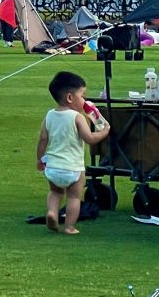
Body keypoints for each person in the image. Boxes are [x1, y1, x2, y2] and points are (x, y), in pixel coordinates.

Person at [37, 71, 111, 234]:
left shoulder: (49, 115)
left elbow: (43, 139)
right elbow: (90, 138)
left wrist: (40, 159)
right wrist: (104, 132)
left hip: (53, 167)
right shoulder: (77, 117)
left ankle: (52, 212)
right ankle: (69, 227)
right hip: (73, 168)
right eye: (82, 95)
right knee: (73, 197)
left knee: (55, 192)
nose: (84, 100)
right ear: (70, 98)